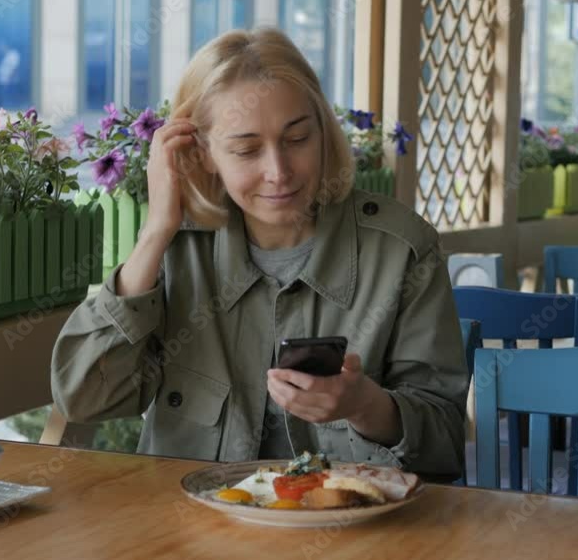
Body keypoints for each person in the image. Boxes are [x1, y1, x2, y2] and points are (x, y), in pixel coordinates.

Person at [51, 28, 469, 478]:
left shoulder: (403, 248)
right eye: (246, 149)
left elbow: (445, 451)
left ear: (323, 133)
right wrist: (155, 232)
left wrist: (366, 406)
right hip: (191, 534)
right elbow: (82, 395)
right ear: (204, 154)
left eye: (297, 139)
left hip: (348, 535)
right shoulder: (176, 247)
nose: (279, 172)